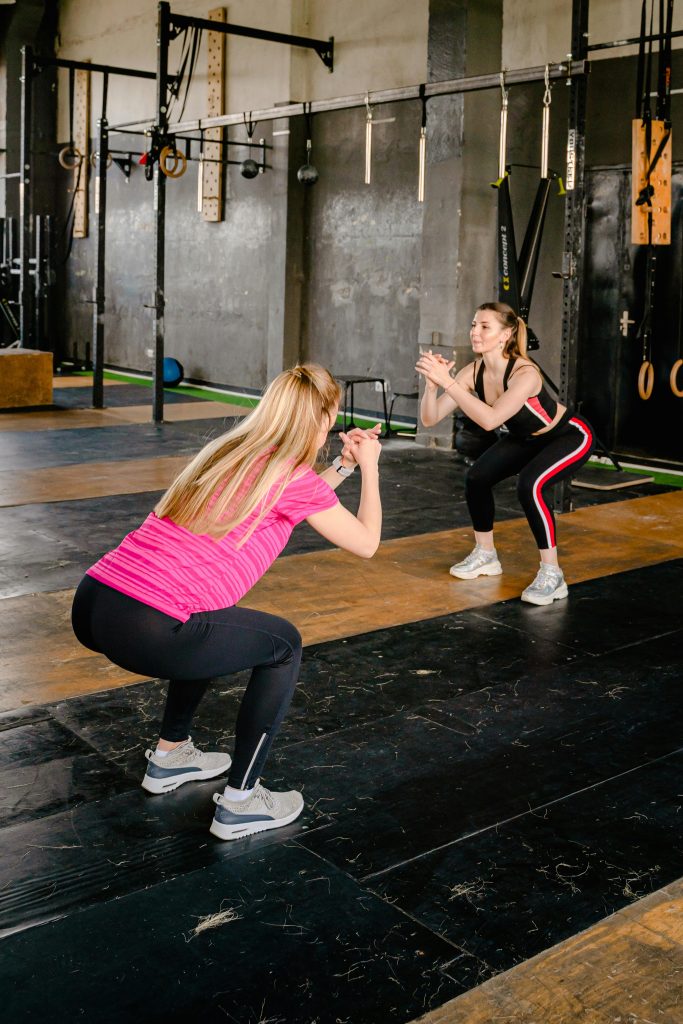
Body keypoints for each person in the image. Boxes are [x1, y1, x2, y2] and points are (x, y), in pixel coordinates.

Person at [72, 364, 382, 841]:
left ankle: (170, 755)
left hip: (96, 601)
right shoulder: (290, 476)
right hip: (148, 625)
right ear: (317, 418)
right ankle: (241, 801)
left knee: (215, 623)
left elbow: (296, 503)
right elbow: (366, 543)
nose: (331, 428)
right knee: (283, 644)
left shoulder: (230, 454)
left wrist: (342, 466)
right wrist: (372, 468)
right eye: (331, 418)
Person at [416, 302, 593, 605]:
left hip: (567, 435)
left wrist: (448, 382)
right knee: (477, 477)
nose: (475, 332)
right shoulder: (474, 371)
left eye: (485, 326)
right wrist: (433, 387)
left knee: (531, 485)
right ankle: (486, 555)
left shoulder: (526, 373)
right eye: (474, 324)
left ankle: (552, 574)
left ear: (505, 334)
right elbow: (430, 419)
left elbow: (490, 420)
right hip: (525, 438)